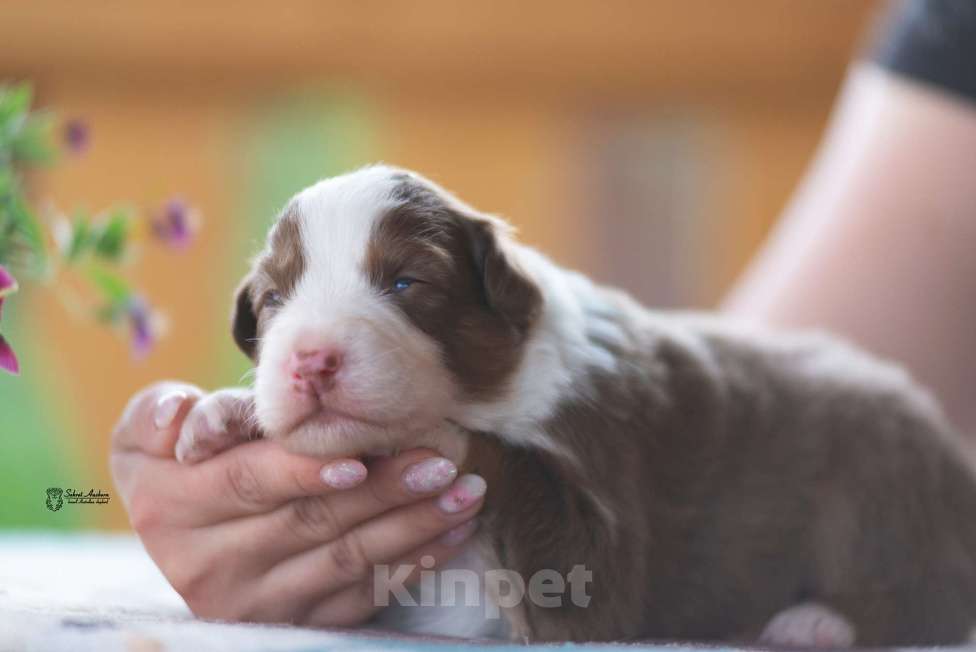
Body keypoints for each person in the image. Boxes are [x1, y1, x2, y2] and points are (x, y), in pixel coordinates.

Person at [111, 0, 976, 629]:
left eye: (407, 285)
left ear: (506, 309)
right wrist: (242, 454)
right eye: (276, 300)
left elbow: (582, 607)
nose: (310, 346)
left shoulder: (573, 387)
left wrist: (484, 467)